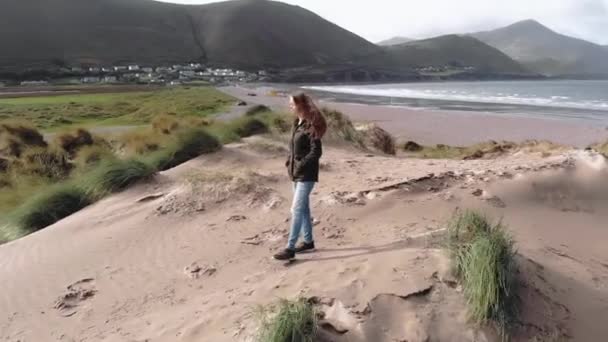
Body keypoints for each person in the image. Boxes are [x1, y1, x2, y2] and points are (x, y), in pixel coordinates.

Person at [273, 93, 327, 261]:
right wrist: (290, 162)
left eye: (292, 103)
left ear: (301, 105)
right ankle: (308, 241)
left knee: (296, 209)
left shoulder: (311, 125)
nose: (290, 106)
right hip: (295, 173)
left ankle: (290, 248)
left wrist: (301, 164)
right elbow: (294, 147)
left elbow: (316, 152)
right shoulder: (297, 123)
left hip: (307, 175)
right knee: (303, 209)